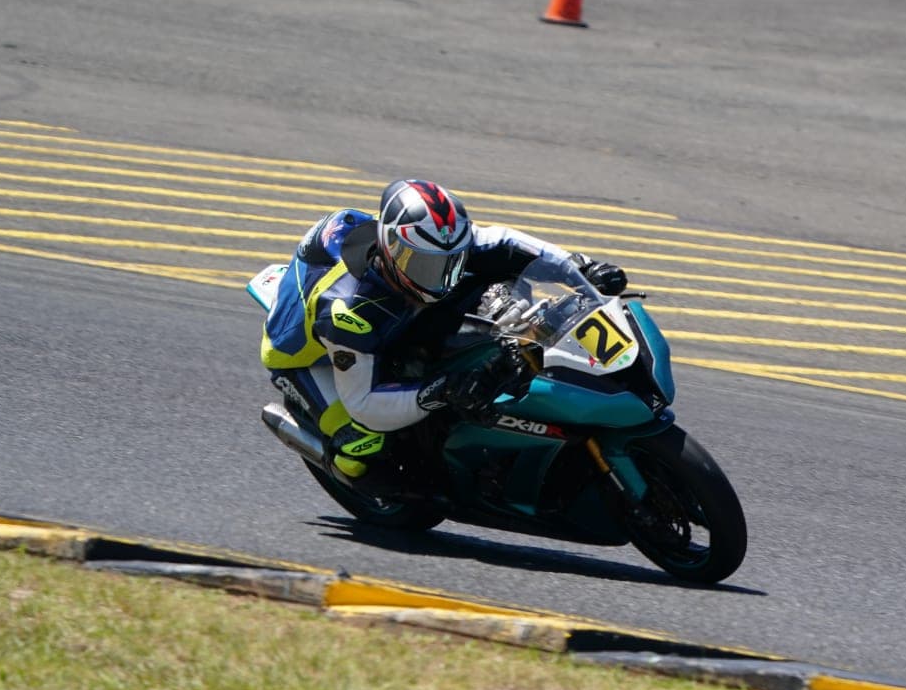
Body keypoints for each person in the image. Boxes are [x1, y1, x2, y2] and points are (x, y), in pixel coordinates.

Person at [260, 179, 629, 487]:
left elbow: (509, 243)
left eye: (451, 262)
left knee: (493, 301)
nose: (442, 277)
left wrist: (582, 267)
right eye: (425, 265)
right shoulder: (349, 312)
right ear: (392, 252)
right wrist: (439, 391)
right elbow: (366, 404)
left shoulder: (438, 243)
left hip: (389, 305)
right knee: (360, 451)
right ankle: (335, 455)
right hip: (307, 354)